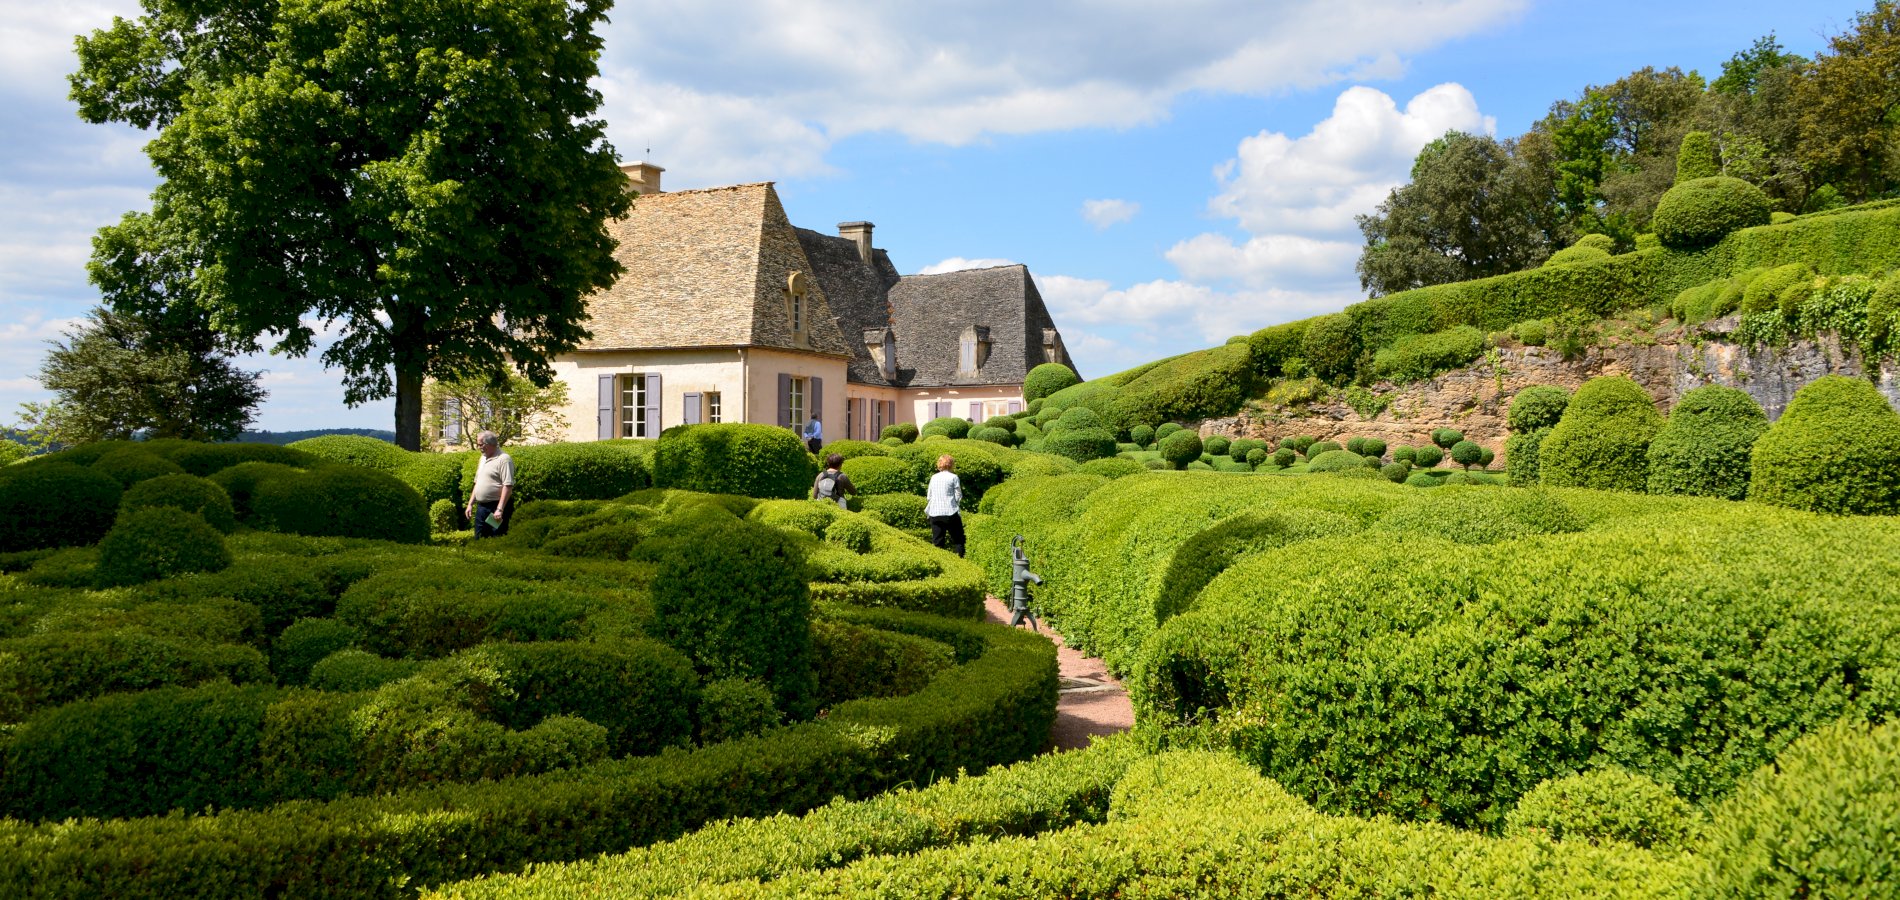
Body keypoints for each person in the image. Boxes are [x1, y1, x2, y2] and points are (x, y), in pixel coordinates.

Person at [465, 430, 514, 538]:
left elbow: (508, 486)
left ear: (489, 444)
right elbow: (477, 482)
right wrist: (470, 504)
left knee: (494, 537)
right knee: (479, 537)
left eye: (480, 444)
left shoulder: (504, 459)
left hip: (495, 507)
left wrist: (499, 509)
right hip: (482, 507)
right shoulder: (482, 458)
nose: (478, 447)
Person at [925, 453, 964, 557]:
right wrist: (955, 503)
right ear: (951, 464)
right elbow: (958, 495)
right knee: (958, 540)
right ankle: (960, 562)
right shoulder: (954, 477)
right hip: (950, 512)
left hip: (935, 513)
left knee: (937, 542)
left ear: (940, 464)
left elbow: (929, 496)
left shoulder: (934, 477)